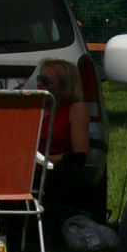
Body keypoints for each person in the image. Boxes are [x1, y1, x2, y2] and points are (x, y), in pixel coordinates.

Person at [36, 58, 90, 225]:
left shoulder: (76, 109)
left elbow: (79, 156)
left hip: (51, 170)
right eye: (39, 79)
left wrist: (41, 159)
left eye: (46, 81)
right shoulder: (36, 107)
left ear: (64, 86)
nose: (39, 84)